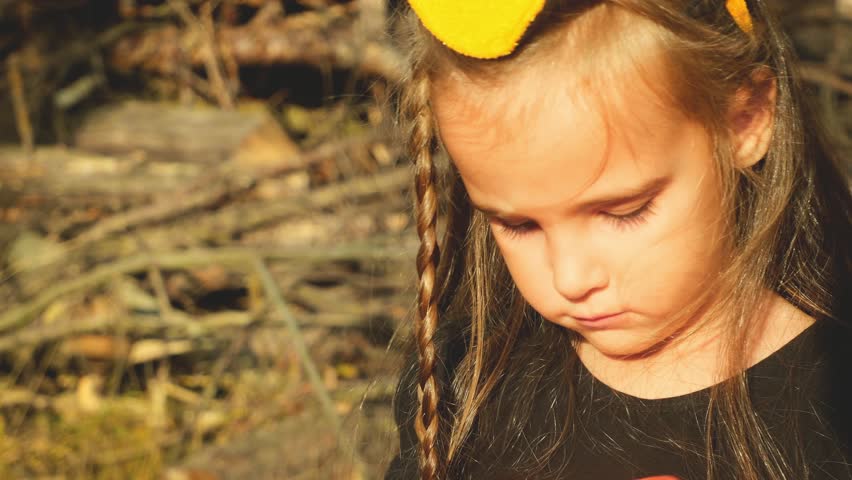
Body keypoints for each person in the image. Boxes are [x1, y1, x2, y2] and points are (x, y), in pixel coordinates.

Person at [384, 0, 852, 479]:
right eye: (519, 225)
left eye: (625, 212)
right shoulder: (464, 378)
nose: (570, 278)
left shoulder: (833, 403)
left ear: (745, 120)